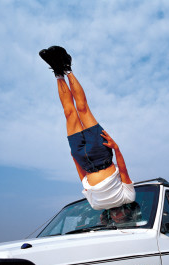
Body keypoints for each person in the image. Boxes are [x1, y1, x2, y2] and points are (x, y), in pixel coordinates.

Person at [39, 46, 136, 210]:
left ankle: (58, 72)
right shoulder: (129, 198)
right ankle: (68, 68)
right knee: (83, 109)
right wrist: (116, 148)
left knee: (69, 113)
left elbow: (83, 179)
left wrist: (75, 158)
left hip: (83, 161)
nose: (117, 217)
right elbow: (124, 172)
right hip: (101, 154)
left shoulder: (96, 206)